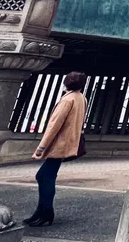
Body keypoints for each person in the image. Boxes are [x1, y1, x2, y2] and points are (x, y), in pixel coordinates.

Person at [25, 72, 88, 227]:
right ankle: (41, 212)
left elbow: (54, 126)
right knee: (46, 175)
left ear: (66, 83)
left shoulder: (67, 100)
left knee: (44, 176)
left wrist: (41, 148)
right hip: (69, 142)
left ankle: (46, 212)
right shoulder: (82, 98)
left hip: (59, 143)